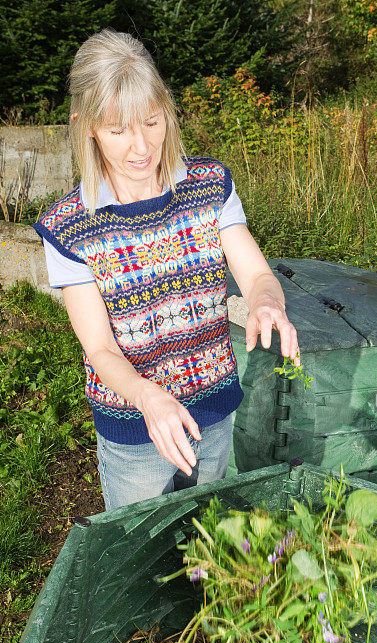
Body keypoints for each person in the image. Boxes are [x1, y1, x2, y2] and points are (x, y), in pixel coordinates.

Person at [34, 29, 300, 511]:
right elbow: (99, 348)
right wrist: (147, 398)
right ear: (86, 126)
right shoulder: (70, 228)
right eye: (119, 130)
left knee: (206, 543)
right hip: (136, 435)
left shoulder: (208, 186)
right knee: (144, 557)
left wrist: (266, 303)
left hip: (213, 414)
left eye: (152, 122)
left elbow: (257, 275)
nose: (141, 146)